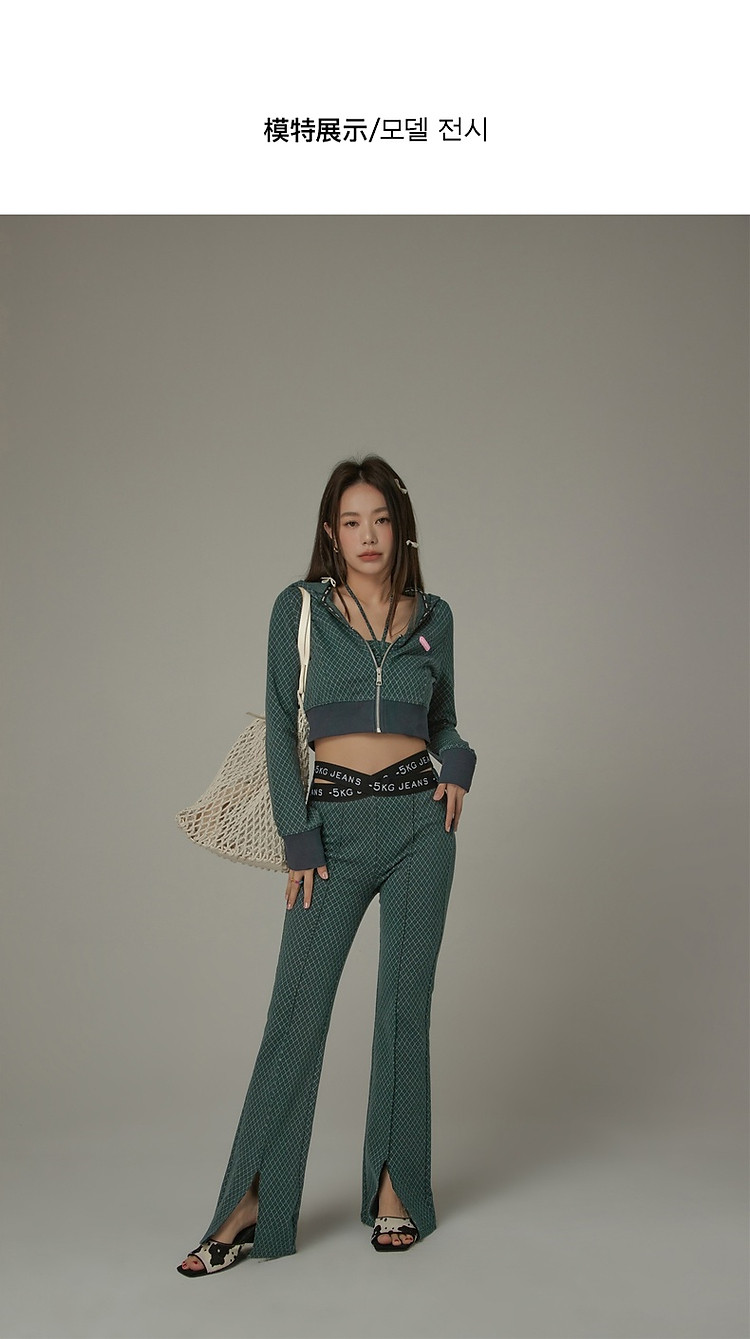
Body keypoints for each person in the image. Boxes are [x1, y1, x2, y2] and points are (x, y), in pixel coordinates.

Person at [177, 454, 477, 1275]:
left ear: (400, 527)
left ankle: (396, 1188)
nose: (366, 535)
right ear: (330, 532)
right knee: (296, 1016)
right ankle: (250, 1204)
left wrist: (458, 762)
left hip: (420, 826)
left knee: (404, 1012)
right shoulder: (301, 608)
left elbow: (443, 718)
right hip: (332, 829)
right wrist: (297, 835)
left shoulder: (435, 615)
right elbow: (282, 724)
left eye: (379, 519)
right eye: (351, 521)